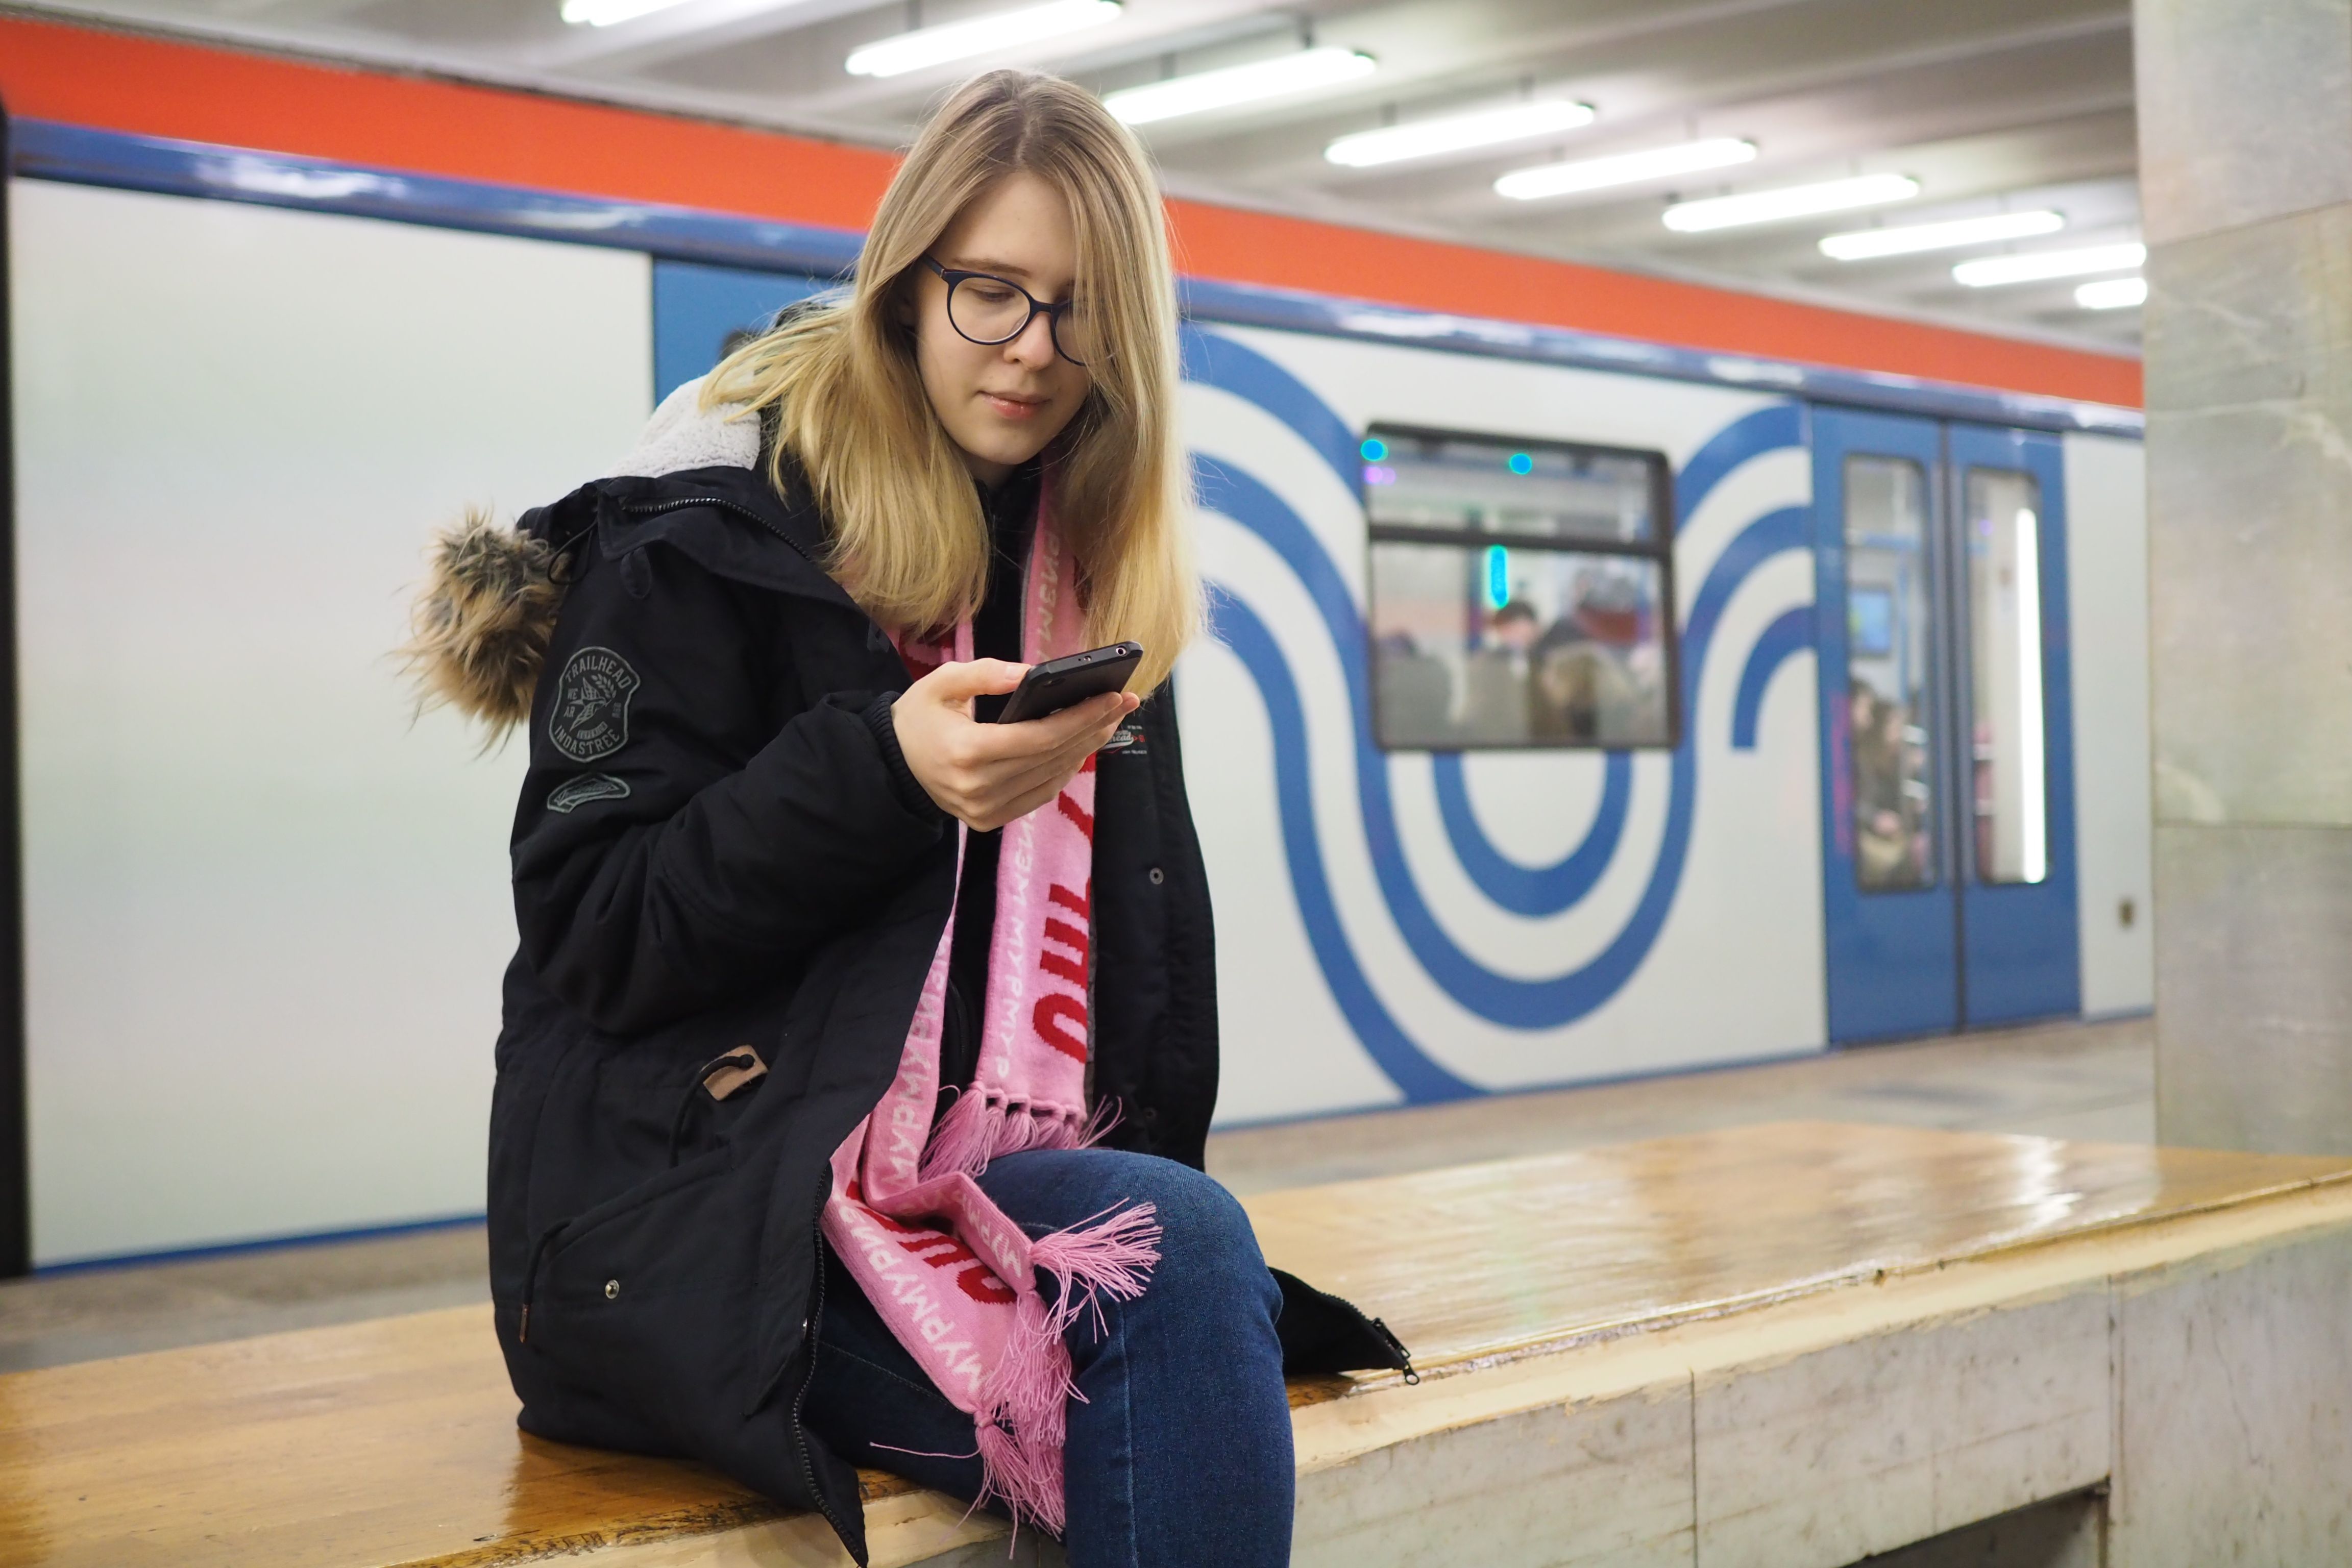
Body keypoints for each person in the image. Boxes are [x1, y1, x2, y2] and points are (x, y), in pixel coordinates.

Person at [403, 70, 1404, 1568]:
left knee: (1188, 1270)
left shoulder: (1084, 559)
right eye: (990, 293)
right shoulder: (703, 528)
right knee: (1181, 1297)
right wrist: (883, 776)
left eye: (1082, 313)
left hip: (958, 1195)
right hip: (684, 1232)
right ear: (905, 279)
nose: (1034, 353)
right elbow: (595, 933)